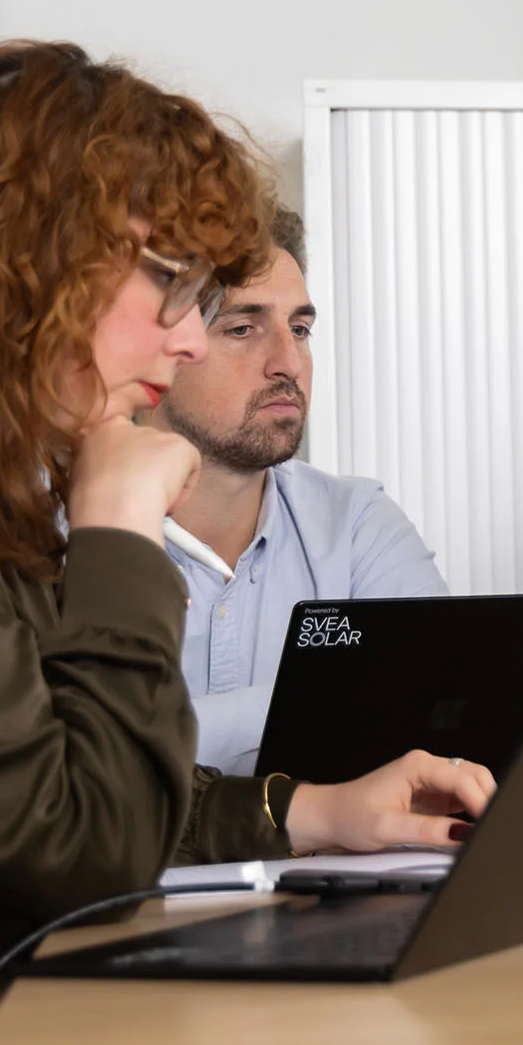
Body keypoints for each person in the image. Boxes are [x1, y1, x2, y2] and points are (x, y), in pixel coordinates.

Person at [0, 42, 494, 1031]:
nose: (185, 337)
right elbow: (87, 848)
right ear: (26, 257)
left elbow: (70, 785)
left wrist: (314, 812)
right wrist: (116, 535)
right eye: (166, 281)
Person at [144, 206, 447, 774]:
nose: (288, 362)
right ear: (161, 346)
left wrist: (160, 729)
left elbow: (437, 713)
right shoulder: (39, 531)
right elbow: (47, 765)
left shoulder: (357, 525)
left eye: (300, 330)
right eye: (241, 328)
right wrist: (335, 697)